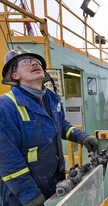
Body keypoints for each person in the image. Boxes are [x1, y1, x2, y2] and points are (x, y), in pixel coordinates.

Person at [0, 46, 98, 206]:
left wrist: (82, 137)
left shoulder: (52, 99)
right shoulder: (6, 106)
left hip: (54, 184)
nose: (34, 63)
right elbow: (6, 157)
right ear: (14, 75)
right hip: (21, 195)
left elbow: (61, 126)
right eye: (25, 62)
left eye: (36, 61)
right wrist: (29, 194)